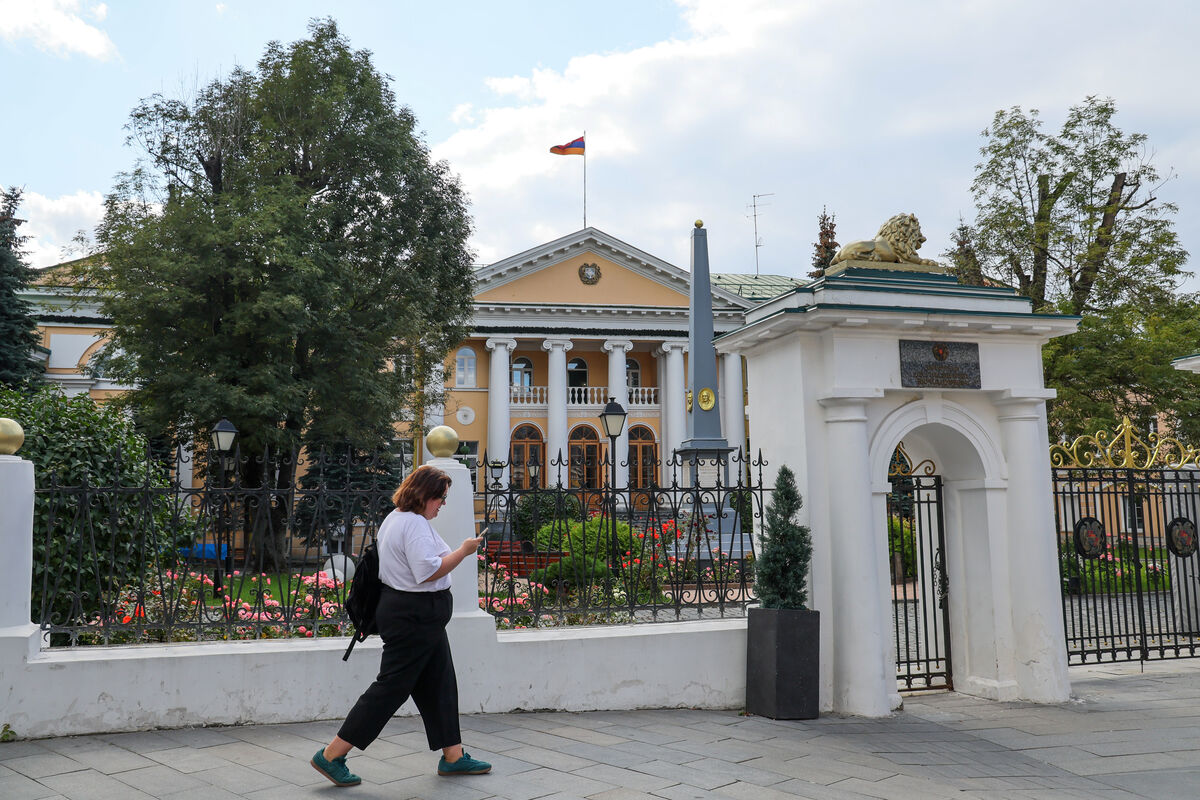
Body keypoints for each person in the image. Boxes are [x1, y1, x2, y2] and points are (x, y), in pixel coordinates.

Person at [311, 464, 490, 786]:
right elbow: (428, 571)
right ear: (424, 496)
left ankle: (453, 756)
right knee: (391, 687)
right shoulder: (414, 525)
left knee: (440, 684)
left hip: (415, 615)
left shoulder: (397, 518)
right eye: (440, 498)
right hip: (414, 616)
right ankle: (332, 754)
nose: (443, 504)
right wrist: (464, 551)